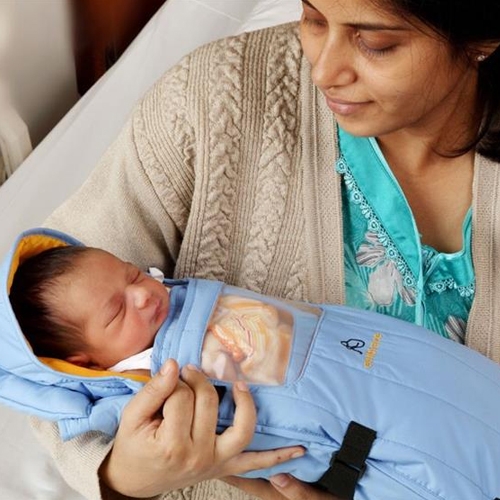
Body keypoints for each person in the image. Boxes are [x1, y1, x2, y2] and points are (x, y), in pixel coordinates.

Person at [28, 0, 500, 499]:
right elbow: (35, 344)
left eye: (376, 43)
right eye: (313, 17)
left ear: (481, 41)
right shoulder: (211, 100)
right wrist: (126, 476)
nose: (323, 69)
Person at [4, 228, 500, 500]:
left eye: (133, 274)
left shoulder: (174, 300)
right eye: (116, 311)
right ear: (81, 361)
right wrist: (122, 479)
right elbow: (77, 426)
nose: (142, 295)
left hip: (378, 355)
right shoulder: (121, 396)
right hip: (365, 444)